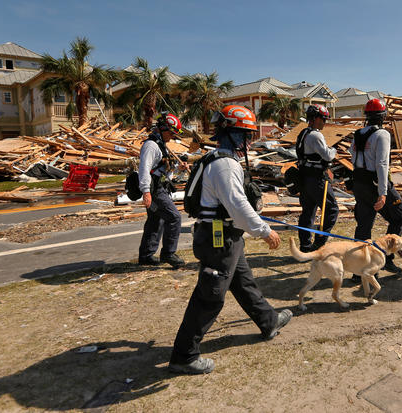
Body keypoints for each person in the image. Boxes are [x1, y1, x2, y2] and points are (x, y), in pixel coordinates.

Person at [169, 105, 292, 375]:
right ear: (231, 133)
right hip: (218, 238)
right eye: (244, 134)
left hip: (224, 235)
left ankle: (269, 321)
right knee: (210, 295)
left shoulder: (215, 158)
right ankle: (184, 355)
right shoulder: (225, 166)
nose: (248, 141)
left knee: (243, 281)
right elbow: (237, 205)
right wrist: (264, 230)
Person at [350, 99, 402, 281]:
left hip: (359, 183)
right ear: (383, 116)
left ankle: (358, 271)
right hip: (375, 183)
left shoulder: (358, 133)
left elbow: (353, 157)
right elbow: (382, 164)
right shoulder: (382, 134)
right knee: (399, 215)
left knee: (364, 225)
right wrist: (383, 192)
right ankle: (388, 257)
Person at [137, 112, 187, 269]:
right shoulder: (151, 146)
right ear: (163, 129)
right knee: (174, 217)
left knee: (155, 221)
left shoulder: (160, 145)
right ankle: (168, 253)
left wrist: (179, 170)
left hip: (160, 187)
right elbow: (144, 169)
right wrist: (146, 192)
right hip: (155, 190)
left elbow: (164, 172)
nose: (172, 136)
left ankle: (146, 256)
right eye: (171, 133)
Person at [296, 104, 339, 253]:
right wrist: (334, 149)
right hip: (317, 179)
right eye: (323, 119)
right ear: (315, 118)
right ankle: (319, 243)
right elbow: (327, 155)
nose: (324, 122)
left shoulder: (303, 133)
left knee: (308, 212)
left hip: (305, 178)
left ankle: (305, 246)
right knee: (332, 210)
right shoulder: (316, 135)